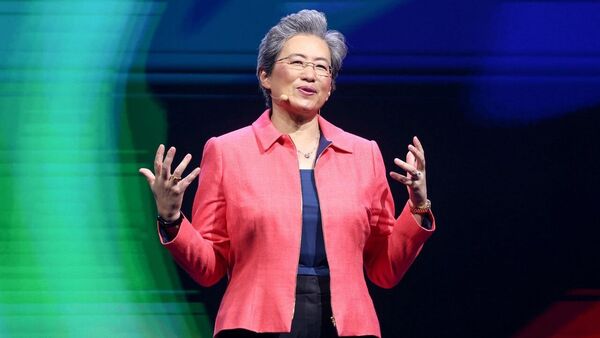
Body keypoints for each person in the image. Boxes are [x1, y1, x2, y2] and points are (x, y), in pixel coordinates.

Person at [139, 9, 435, 338]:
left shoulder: (363, 154)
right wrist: (171, 218)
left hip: (347, 327)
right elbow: (209, 269)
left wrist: (418, 207)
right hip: (254, 325)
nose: (310, 74)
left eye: (322, 67)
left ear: (330, 87)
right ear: (265, 75)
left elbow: (385, 270)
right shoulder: (228, 152)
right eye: (297, 62)